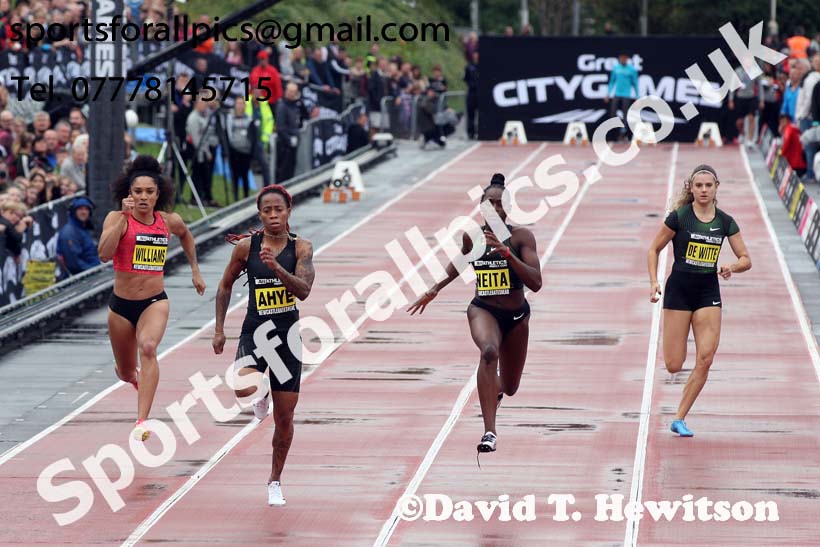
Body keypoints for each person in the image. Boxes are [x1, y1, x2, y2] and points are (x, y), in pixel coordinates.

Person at [408, 173, 542, 456]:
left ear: (507, 208)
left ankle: (497, 390)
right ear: (481, 207)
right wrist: (435, 288)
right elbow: (460, 262)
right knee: (489, 352)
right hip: (484, 310)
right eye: (488, 203)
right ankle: (489, 431)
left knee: (511, 386)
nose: (494, 209)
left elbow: (536, 282)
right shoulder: (473, 237)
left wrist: (507, 254)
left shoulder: (521, 237)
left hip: (517, 317)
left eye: (499, 204)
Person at [212, 184, 315, 506]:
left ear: (288, 212)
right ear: (260, 214)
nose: (273, 215)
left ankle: (274, 480)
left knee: (284, 420)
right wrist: (219, 329)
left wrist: (276, 267)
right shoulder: (245, 248)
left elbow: (304, 291)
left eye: (278, 210)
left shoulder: (302, 248)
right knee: (243, 390)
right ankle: (261, 390)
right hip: (255, 331)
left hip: (287, 338)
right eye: (267, 210)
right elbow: (225, 285)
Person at [97, 155, 206, 442]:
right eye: (137, 192)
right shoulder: (116, 218)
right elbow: (104, 254)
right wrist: (122, 219)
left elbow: (187, 236)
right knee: (123, 372)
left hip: (154, 301)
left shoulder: (169, 221)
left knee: (148, 348)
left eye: (149, 192)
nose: (143, 197)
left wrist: (195, 270)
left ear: (159, 195)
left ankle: (141, 421)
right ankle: (133, 378)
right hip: (120, 307)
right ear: (128, 194)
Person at [647, 165, 751, 437]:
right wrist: (653, 282)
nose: (704, 190)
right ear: (691, 189)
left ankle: (679, 417)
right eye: (699, 186)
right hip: (679, 292)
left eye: (708, 185)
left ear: (716, 187)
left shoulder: (725, 221)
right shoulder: (679, 217)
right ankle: (679, 408)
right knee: (674, 364)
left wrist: (732, 267)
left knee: (705, 358)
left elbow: (746, 259)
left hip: (708, 293)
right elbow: (654, 249)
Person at [56, 196, 101, 279]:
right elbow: (74, 263)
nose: (83, 212)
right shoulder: (69, 232)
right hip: (83, 279)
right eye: (80, 209)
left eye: (86, 209)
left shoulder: (83, 229)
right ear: (74, 211)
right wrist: (94, 271)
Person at [605, 51, 639, 140]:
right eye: (621, 58)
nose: (623, 60)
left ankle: (624, 133)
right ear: (619, 58)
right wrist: (608, 94)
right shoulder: (616, 68)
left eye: (625, 58)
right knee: (612, 113)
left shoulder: (631, 70)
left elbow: (635, 84)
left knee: (626, 115)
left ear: (627, 59)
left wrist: (637, 96)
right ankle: (616, 131)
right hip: (617, 94)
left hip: (626, 95)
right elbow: (612, 82)